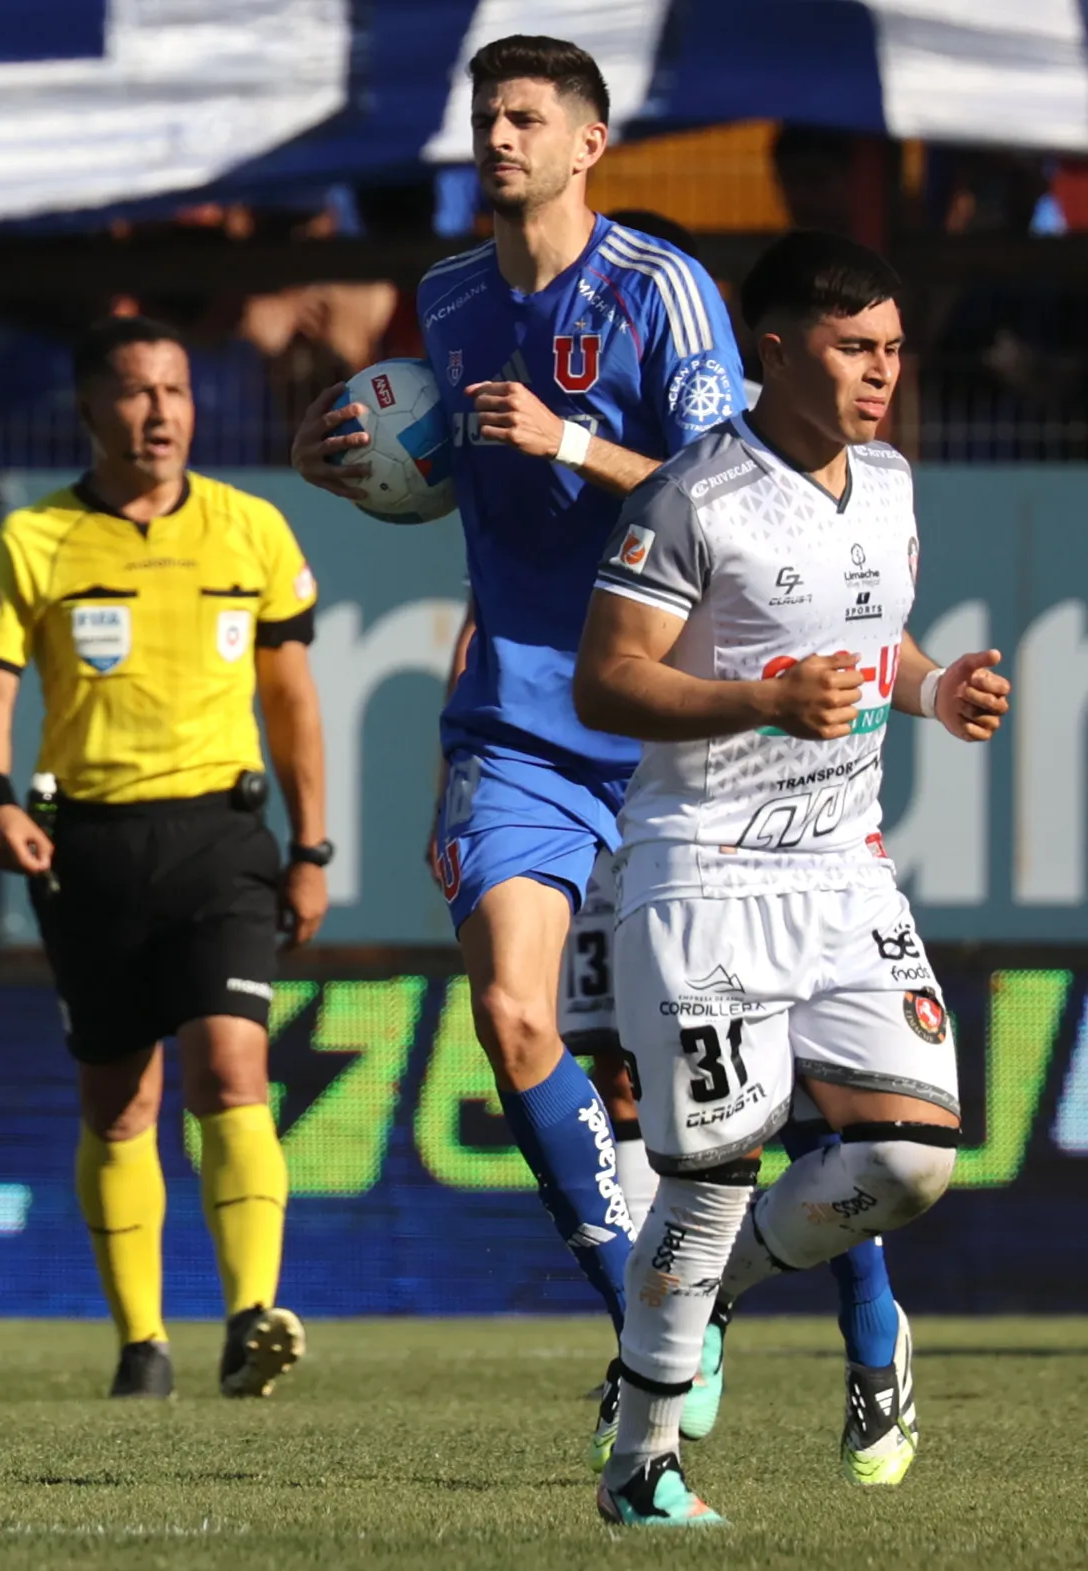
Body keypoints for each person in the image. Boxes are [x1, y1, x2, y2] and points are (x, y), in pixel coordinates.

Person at [294, 34, 745, 1468]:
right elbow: (434, 461)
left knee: (725, 1062)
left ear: (585, 145)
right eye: (484, 115)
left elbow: (737, 500)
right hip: (514, 715)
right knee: (512, 1018)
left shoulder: (661, 292)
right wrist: (352, 466)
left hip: (669, 706)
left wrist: (573, 442)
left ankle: (868, 1322)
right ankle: (647, 1325)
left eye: (522, 117)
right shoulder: (442, 297)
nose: (495, 136)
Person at [576, 229, 1009, 1525]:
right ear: (772, 347)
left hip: (842, 868)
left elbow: (873, 641)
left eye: (888, 347)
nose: (879, 372)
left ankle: (710, 1290)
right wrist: (759, 696)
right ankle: (638, 1467)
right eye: (849, 347)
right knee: (709, 1168)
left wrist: (930, 686)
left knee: (912, 1156)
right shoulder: (688, 497)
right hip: (701, 869)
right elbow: (606, 677)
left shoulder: (884, 480)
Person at [0, 314, 329, 1401]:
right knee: (120, 1101)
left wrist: (311, 846)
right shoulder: (34, 539)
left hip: (223, 838)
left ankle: (252, 1314)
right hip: (92, 846)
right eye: (133, 391)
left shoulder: (253, 528)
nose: (159, 411)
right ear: (89, 409)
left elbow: (293, 699)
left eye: (174, 389)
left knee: (231, 1070)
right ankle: (142, 1344)